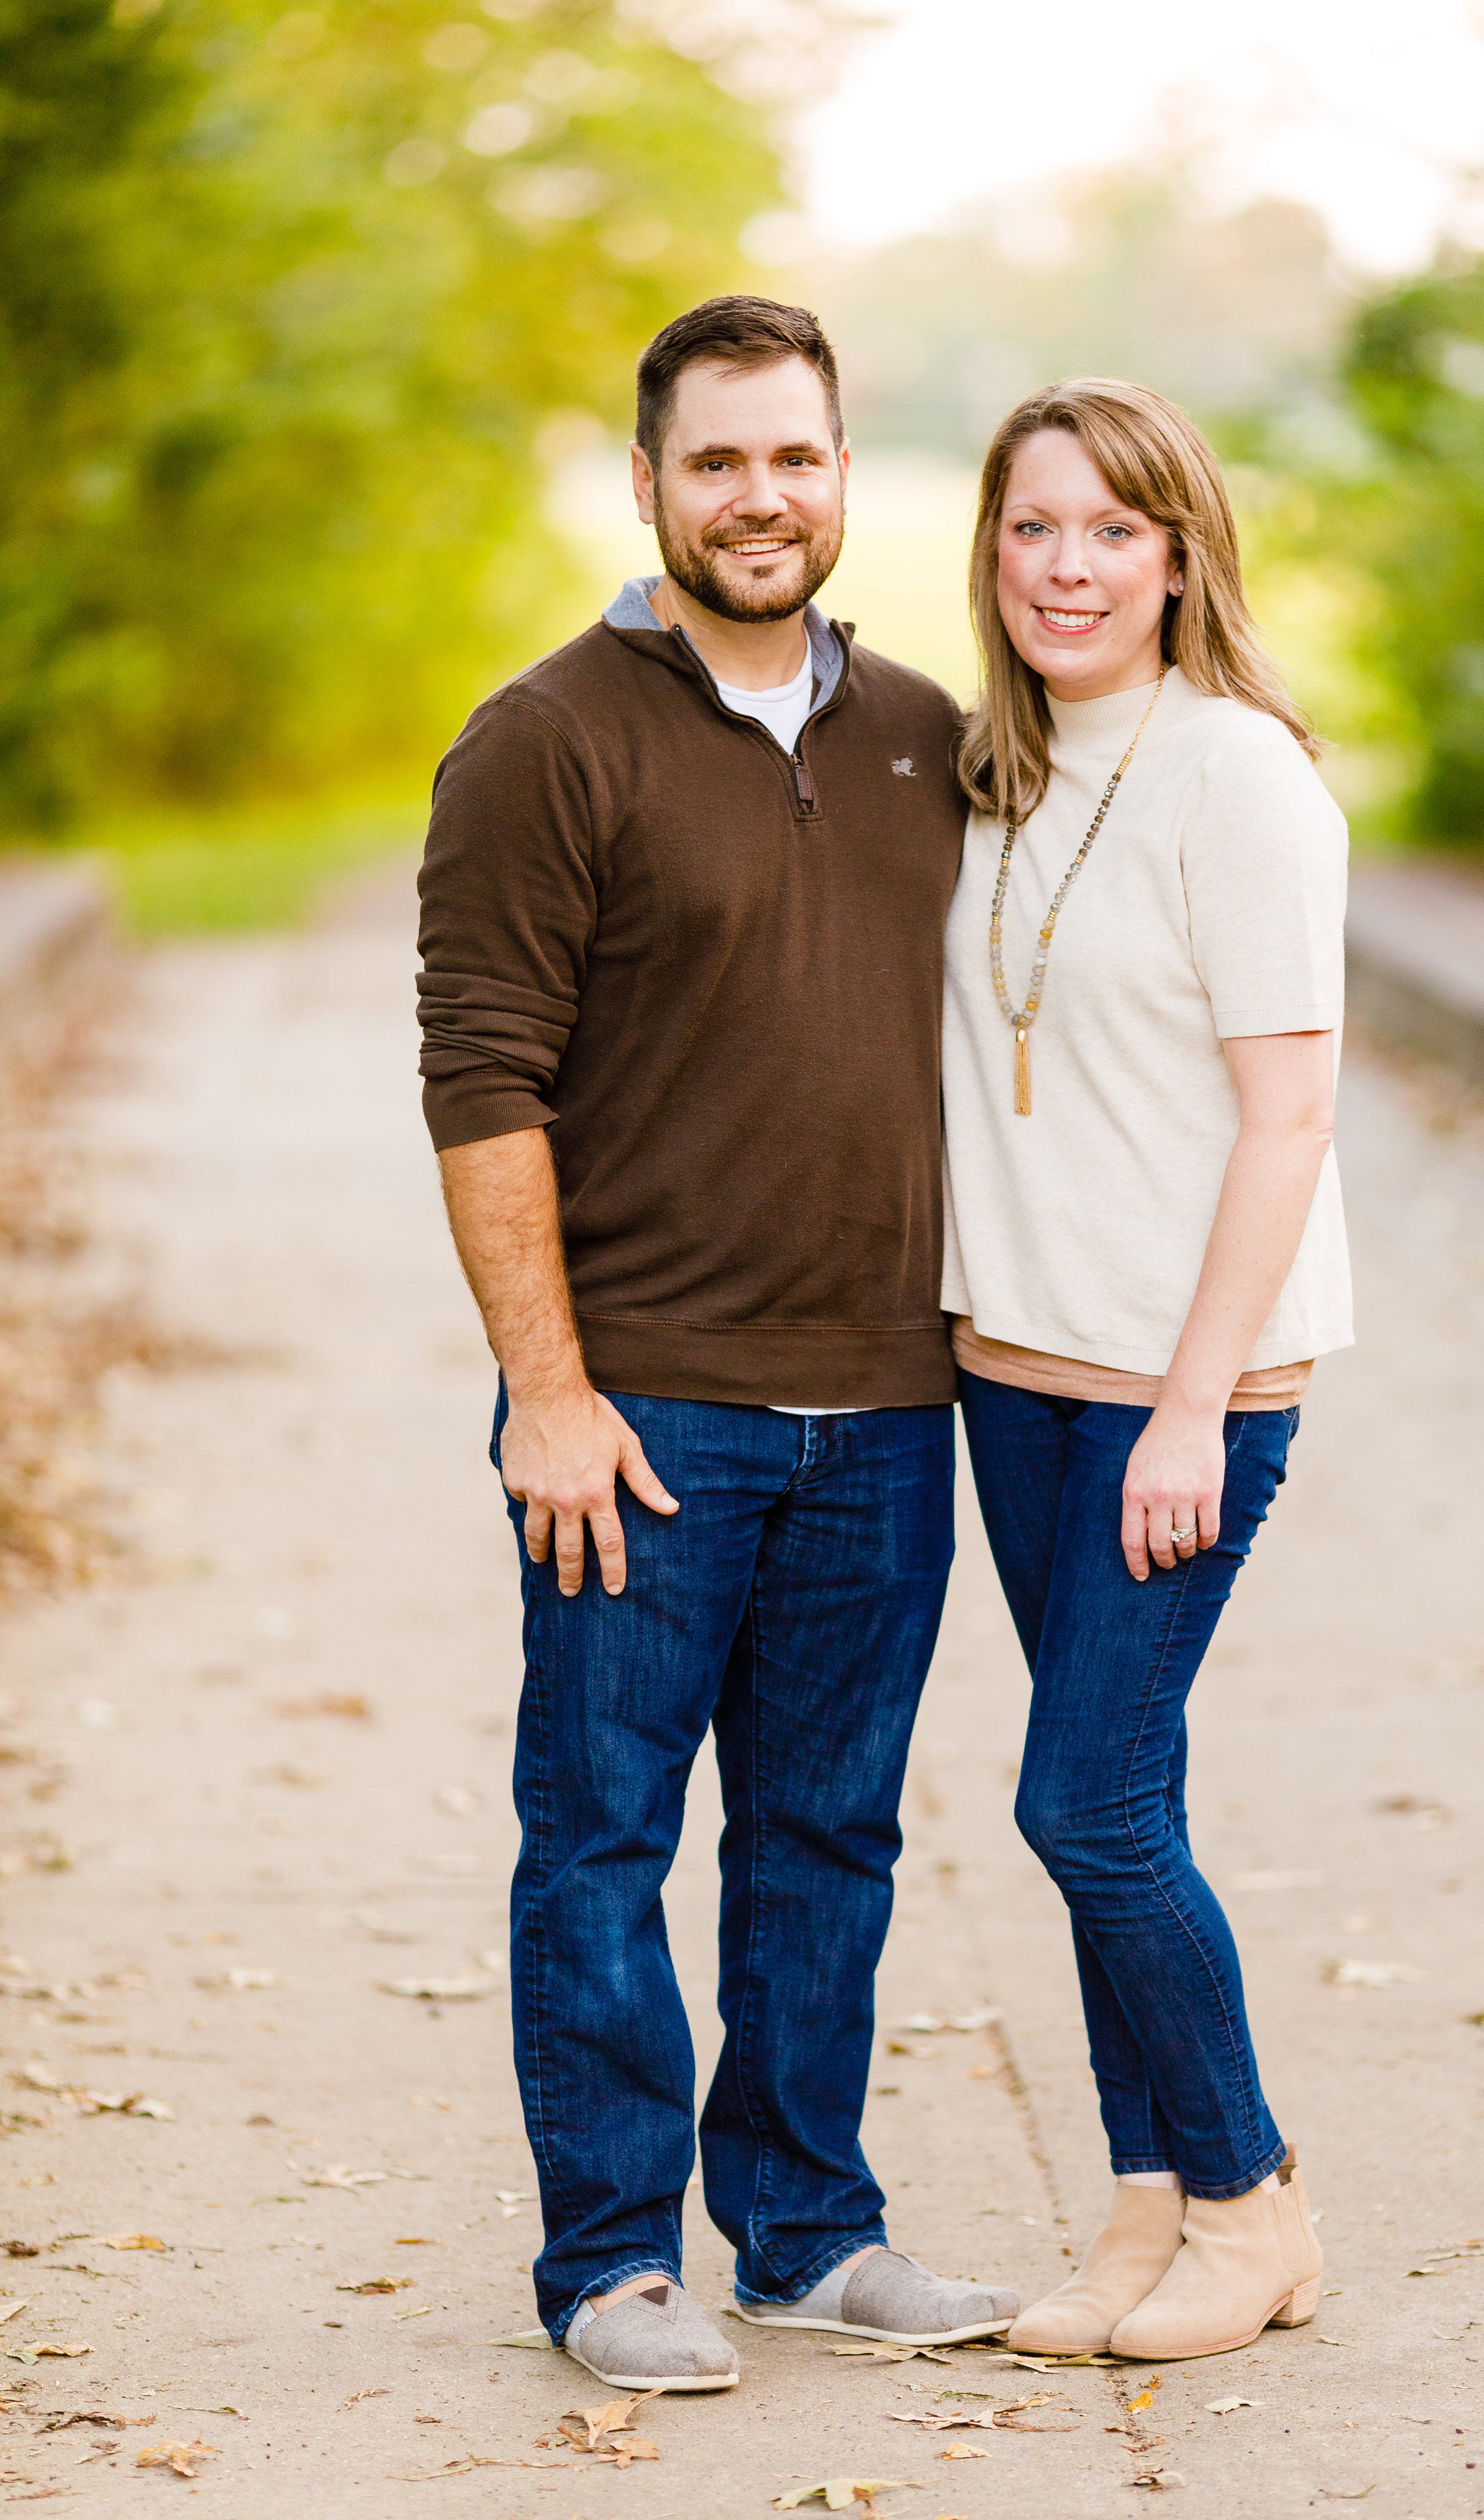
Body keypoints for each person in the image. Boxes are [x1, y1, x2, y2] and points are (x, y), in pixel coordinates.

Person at [416, 296, 1018, 2393]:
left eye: (796, 457)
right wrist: (549, 1396)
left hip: (883, 1406)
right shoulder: (546, 738)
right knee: (598, 1838)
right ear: (651, 479)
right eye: (717, 462)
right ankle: (608, 2261)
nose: (761, 498)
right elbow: (483, 1081)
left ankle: (803, 2233)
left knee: (827, 1838)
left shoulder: (933, 734)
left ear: (846, 470)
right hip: (644, 1412)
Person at [941, 377, 1350, 2361]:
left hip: (1172, 1398)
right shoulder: (993, 776)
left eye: (1112, 528)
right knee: (1128, 1797)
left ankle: (1253, 2205)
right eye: (1033, 528)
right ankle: (1144, 2209)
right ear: (990, 553)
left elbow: (1288, 1121)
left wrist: (1190, 1404)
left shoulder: (1238, 778)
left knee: (1085, 1806)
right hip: (1007, 1376)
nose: (1068, 566)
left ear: (1180, 552)